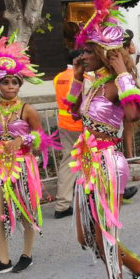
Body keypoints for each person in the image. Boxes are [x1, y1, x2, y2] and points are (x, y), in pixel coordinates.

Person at [66, 0, 140, 279]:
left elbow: (134, 114)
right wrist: (76, 79)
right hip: (87, 164)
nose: (83, 54)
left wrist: (123, 70)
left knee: (104, 233)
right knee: (84, 236)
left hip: (107, 162)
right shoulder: (91, 83)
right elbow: (74, 112)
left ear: (105, 53)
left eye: (89, 50)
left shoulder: (116, 84)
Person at [0, 27, 59, 278]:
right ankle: (3, 260)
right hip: (1, 166)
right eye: (5, 82)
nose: (10, 86)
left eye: (14, 82)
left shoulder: (28, 109)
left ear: (19, 85)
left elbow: (41, 139)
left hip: (24, 165)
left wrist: (23, 138)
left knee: (26, 212)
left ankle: (26, 255)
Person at [53, 50, 84, 218]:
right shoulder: (81, 76)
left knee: (68, 161)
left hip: (64, 124)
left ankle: (62, 204)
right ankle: (109, 194)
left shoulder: (58, 77)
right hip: (79, 123)